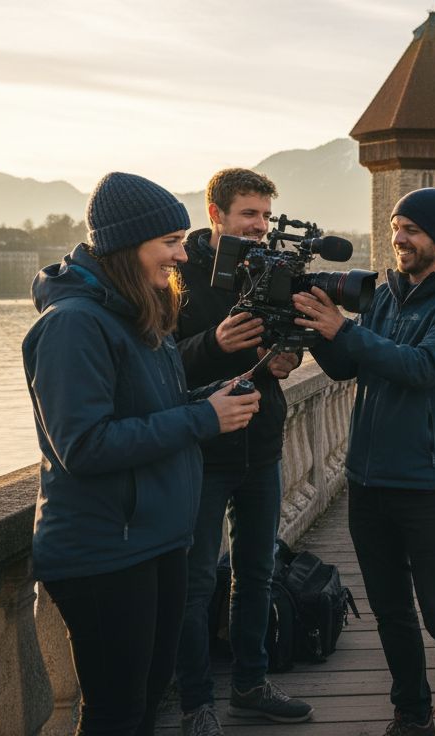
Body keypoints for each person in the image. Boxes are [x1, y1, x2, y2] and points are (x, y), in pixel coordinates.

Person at [23, 172, 261, 735]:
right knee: (116, 714)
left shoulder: (137, 312)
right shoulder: (73, 325)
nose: (183, 255)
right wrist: (204, 419)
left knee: (147, 702)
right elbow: (83, 445)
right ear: (129, 245)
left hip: (155, 540)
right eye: (171, 243)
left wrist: (209, 399)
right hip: (104, 550)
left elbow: (155, 406)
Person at [292, 187, 435, 736]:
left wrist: (347, 330)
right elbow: (346, 368)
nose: (400, 238)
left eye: (413, 230)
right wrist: (317, 329)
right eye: (396, 227)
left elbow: (425, 367)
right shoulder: (385, 296)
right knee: (390, 610)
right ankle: (411, 712)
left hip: (429, 484)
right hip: (367, 479)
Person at [173, 168, 312, 735]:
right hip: (205, 453)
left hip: (265, 443)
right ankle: (195, 704)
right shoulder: (178, 274)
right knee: (196, 580)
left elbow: (287, 346)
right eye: (248, 215)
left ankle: (250, 686)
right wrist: (214, 343)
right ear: (217, 215)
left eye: (264, 215)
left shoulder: (276, 265)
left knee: (256, 573)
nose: (260, 226)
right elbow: (157, 369)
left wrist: (287, 361)